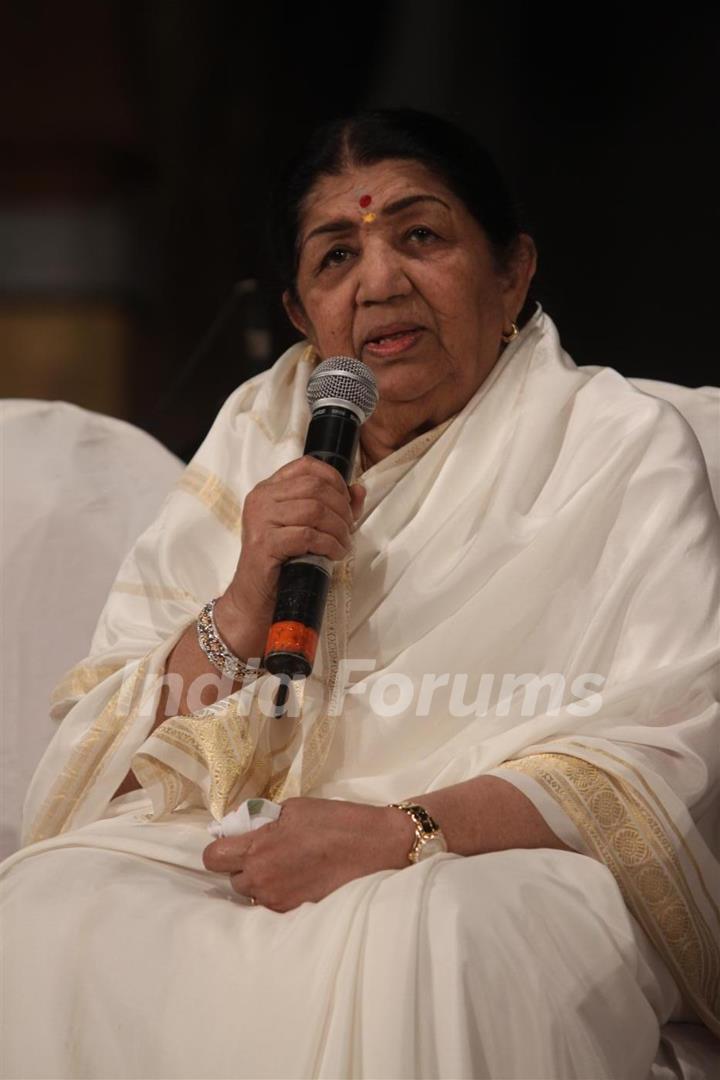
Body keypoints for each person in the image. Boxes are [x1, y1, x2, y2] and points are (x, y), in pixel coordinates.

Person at [1, 109, 718, 1080]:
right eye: (336, 257)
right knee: (50, 913)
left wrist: (397, 833)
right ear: (300, 314)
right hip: (255, 832)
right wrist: (242, 607)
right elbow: (106, 752)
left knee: (444, 948)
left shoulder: (617, 447)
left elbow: (665, 753)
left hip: (486, 856)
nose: (379, 281)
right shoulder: (257, 438)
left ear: (512, 271)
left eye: (420, 236)